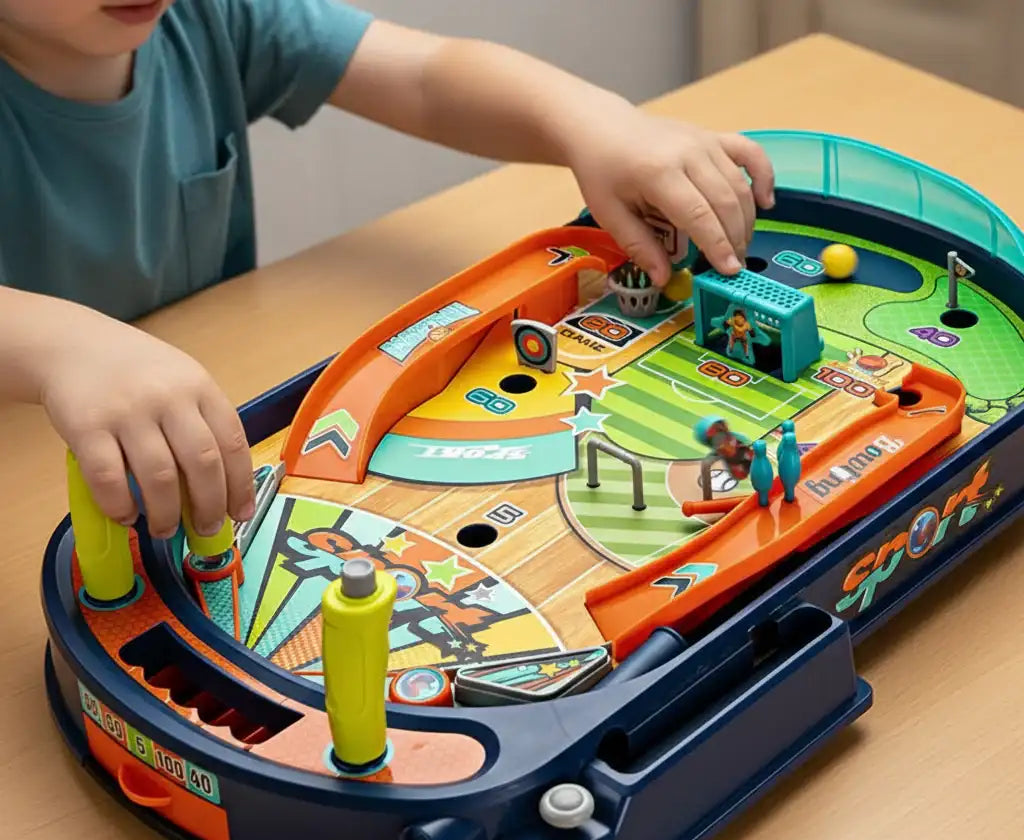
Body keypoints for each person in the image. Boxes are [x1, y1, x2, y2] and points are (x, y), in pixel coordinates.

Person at [0, 1, 775, 542]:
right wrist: (59, 344)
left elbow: (424, 77)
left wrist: (592, 119)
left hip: (196, 422)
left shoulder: (207, 14)